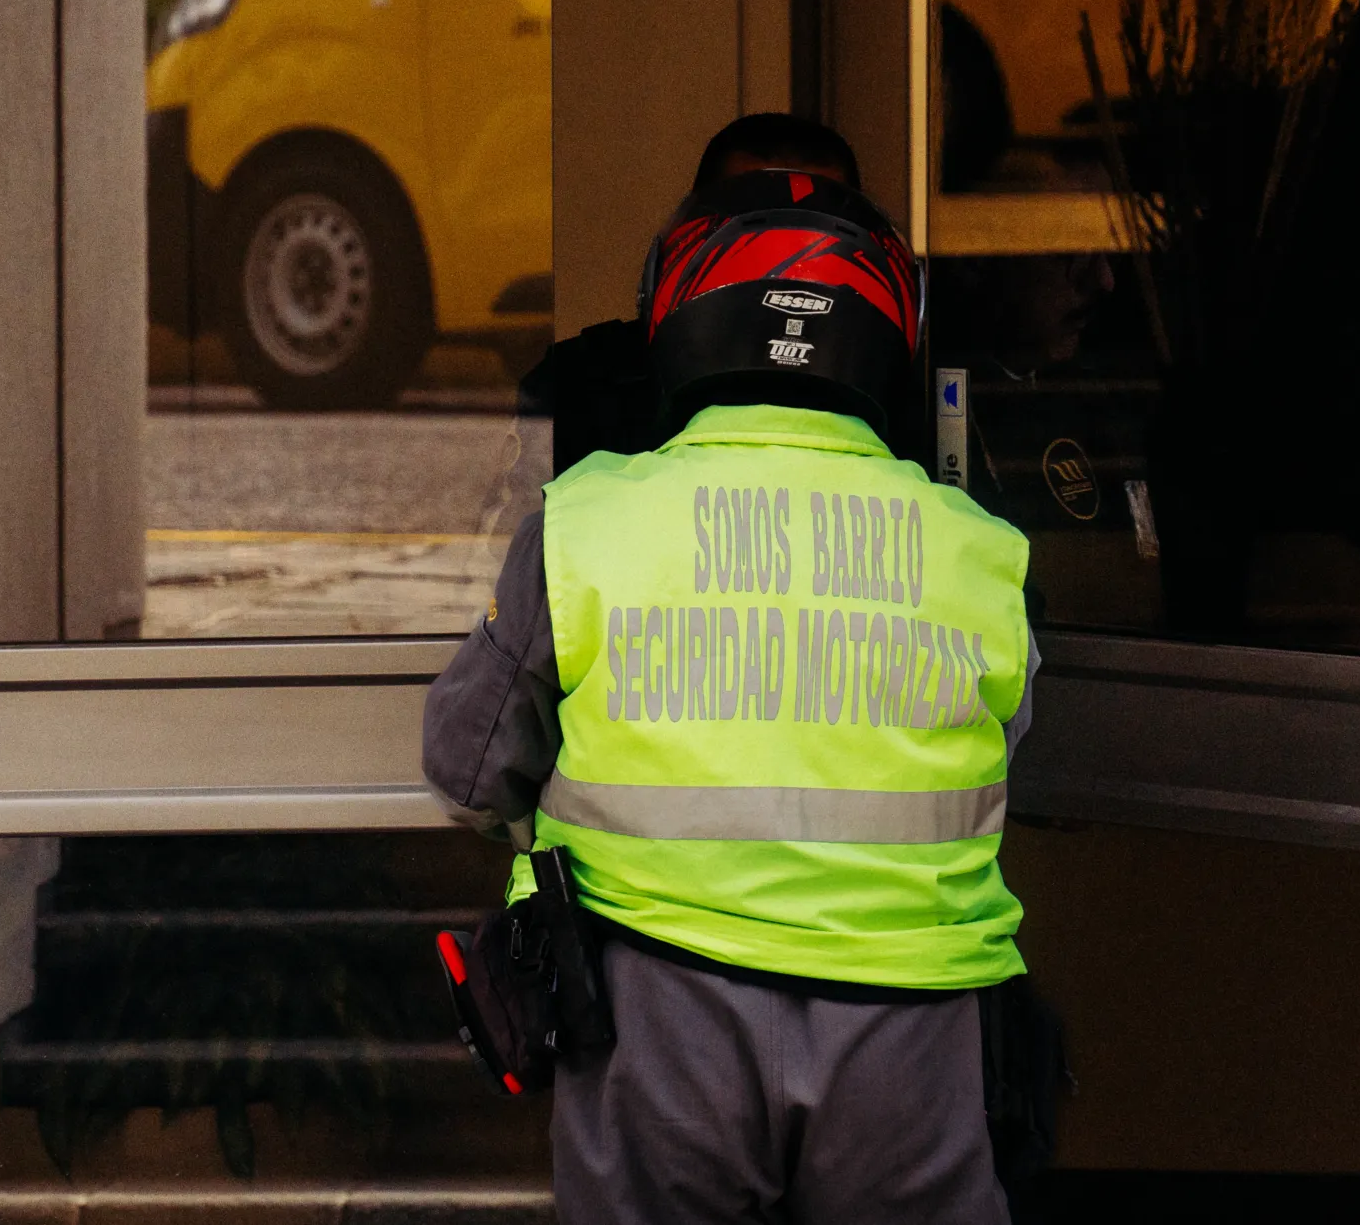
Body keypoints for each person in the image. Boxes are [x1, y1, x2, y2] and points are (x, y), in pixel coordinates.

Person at [427, 157, 1037, 1224]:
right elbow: (1004, 755)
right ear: (890, 334)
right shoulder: (977, 551)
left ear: (674, 314)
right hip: (913, 1040)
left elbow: (468, 769)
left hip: (655, 1031)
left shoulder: (584, 523)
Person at [519, 113, 866, 473]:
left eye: (812, 228)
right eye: (752, 223)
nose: (783, 257)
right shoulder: (582, 385)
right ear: (691, 235)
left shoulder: (901, 388)